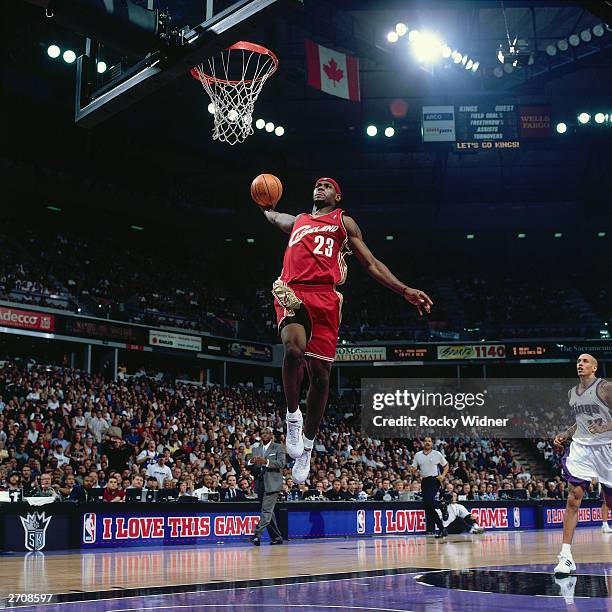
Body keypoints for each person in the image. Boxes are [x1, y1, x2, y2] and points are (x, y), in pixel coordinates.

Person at [262, 177, 432, 483]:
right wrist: (266, 207)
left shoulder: (343, 222)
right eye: (317, 184)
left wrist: (403, 289)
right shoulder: (300, 220)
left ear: (337, 196)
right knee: (292, 351)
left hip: (326, 297)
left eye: (327, 186)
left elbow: (371, 263)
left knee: (322, 376)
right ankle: (292, 418)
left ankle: (309, 447)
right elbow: (277, 218)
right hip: (292, 291)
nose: (320, 187)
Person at [553, 354, 612, 575]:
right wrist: (566, 433)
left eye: (586, 361)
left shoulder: (605, 388)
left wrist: (606, 427)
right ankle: (566, 556)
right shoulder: (572, 393)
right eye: (578, 361)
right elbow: (580, 423)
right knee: (572, 500)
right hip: (581, 449)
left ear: (595, 367)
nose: (580, 363)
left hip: (607, 449)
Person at [248, 428, 286, 545]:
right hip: (260, 484)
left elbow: (281, 463)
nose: (264, 435)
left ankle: (256, 535)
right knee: (269, 513)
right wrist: (251, 462)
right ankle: (277, 537)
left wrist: (266, 461)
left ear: (271, 435)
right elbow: (251, 467)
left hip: (273, 484)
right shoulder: (255, 449)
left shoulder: (278, 447)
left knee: (266, 511)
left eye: (266, 433)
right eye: (262, 433)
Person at [412, 437, 449, 537]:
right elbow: (413, 468)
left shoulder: (437, 454)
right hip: (424, 481)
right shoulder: (418, 455)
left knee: (428, 502)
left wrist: (443, 475)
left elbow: (446, 465)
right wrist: (414, 471)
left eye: (429, 441)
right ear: (423, 443)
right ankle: (442, 529)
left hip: (434, 480)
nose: (427, 443)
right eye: (426, 441)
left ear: (432, 443)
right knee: (428, 507)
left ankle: (442, 509)